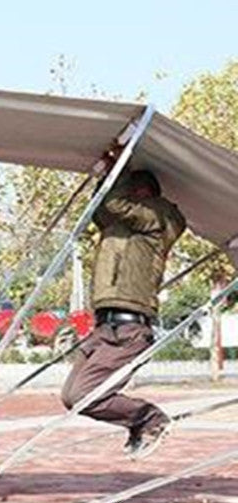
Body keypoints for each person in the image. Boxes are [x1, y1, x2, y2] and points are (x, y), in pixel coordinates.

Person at [61, 169, 186, 459]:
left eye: (131, 191)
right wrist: (105, 175)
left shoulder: (161, 219)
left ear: (146, 194)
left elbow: (114, 204)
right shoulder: (121, 225)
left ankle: (149, 417)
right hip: (104, 327)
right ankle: (137, 420)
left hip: (128, 330)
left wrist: (118, 167)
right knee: (71, 397)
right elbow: (100, 209)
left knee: (85, 395)